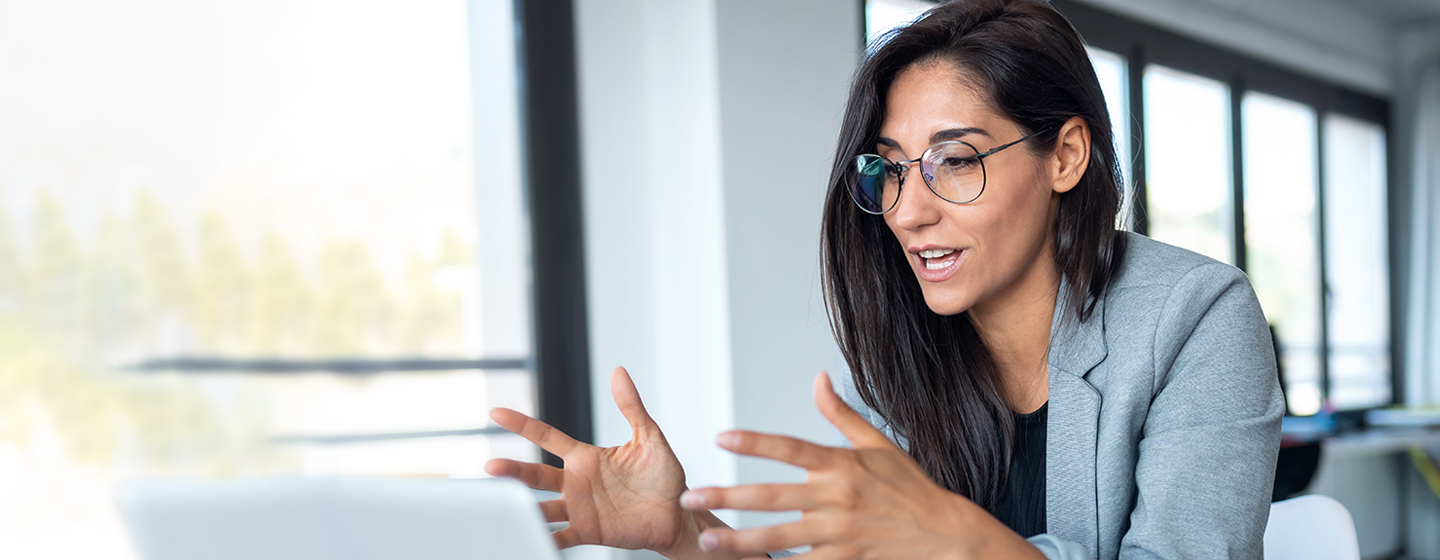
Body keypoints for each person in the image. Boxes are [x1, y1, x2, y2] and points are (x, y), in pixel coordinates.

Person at [484, 0, 1284, 558]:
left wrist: (953, 542)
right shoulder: (910, 351)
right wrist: (683, 536)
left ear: (1066, 156)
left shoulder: (1196, 317)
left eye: (955, 161)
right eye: (892, 171)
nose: (907, 212)